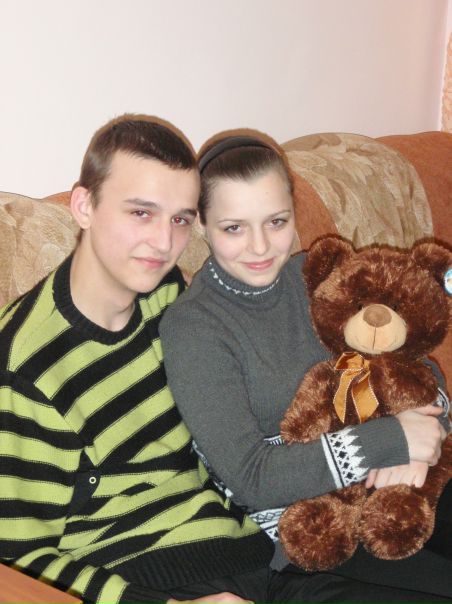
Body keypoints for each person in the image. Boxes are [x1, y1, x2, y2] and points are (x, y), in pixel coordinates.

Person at [159, 132, 452, 602]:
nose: (259, 247)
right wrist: (392, 440)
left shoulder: (311, 275)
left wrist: (424, 435)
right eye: (234, 228)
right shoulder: (194, 328)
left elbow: (409, 356)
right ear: (202, 224)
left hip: (403, 487)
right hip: (313, 536)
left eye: (276, 221)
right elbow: (252, 478)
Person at [0, 115, 281, 604]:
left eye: (180, 219)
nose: (164, 243)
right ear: (83, 206)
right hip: (151, 583)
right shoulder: (25, 370)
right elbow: (18, 560)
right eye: (141, 213)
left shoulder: (167, 295)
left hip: (247, 548)